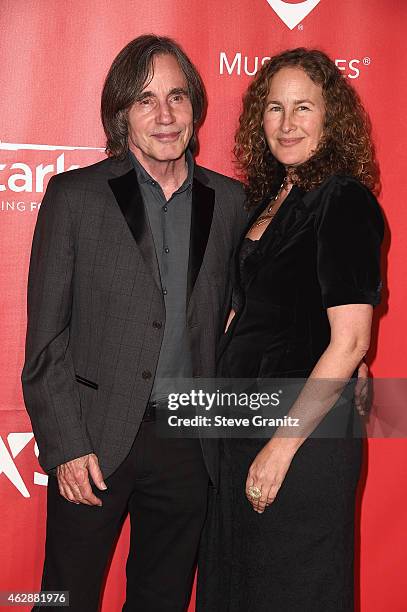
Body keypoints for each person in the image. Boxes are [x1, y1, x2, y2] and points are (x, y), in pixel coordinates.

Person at [21, 34, 247, 611]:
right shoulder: (75, 196)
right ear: (121, 114)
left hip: (189, 441)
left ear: (195, 107)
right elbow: (46, 341)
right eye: (145, 99)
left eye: (177, 97)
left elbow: (260, 312)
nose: (165, 115)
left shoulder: (231, 202)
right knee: (64, 597)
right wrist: (66, 446)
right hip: (92, 440)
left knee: (163, 598)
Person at [197, 48, 384, 611]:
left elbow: (350, 340)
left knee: (292, 588)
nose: (287, 123)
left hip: (300, 430)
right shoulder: (268, 198)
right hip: (239, 420)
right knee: (238, 586)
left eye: (304, 107)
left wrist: (281, 449)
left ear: (331, 117)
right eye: (275, 108)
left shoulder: (344, 199)